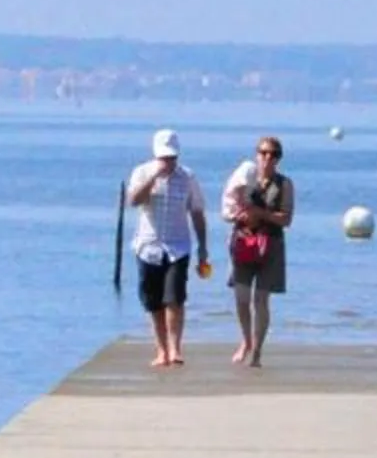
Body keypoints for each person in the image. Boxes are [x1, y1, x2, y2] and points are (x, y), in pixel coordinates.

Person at [125, 128, 208, 368]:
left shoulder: (187, 177)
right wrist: (153, 178)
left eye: (172, 158)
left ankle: (175, 348)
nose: (168, 163)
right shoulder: (142, 172)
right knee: (153, 302)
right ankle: (161, 350)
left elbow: (197, 212)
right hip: (148, 246)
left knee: (175, 298)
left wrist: (203, 247)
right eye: (164, 158)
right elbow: (133, 201)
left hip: (178, 246)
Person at [218, 135, 295, 367]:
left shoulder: (284, 184)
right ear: (257, 154)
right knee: (241, 298)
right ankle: (245, 340)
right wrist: (238, 215)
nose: (267, 158)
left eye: (273, 154)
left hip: (270, 244)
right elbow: (229, 206)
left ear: (279, 158)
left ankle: (257, 351)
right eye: (263, 153)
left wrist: (260, 213)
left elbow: (286, 218)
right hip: (243, 242)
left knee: (261, 299)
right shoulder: (244, 177)